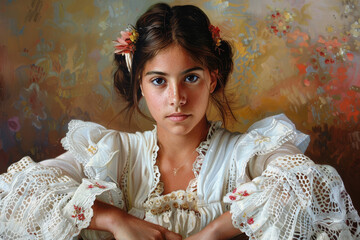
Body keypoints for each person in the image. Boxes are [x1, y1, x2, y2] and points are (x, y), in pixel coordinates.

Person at [0, 3, 359, 240]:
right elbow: (18, 195)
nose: (177, 98)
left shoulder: (245, 154)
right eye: (159, 81)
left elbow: (309, 185)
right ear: (138, 85)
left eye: (191, 77)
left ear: (212, 79)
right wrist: (114, 219)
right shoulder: (114, 155)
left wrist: (217, 231)